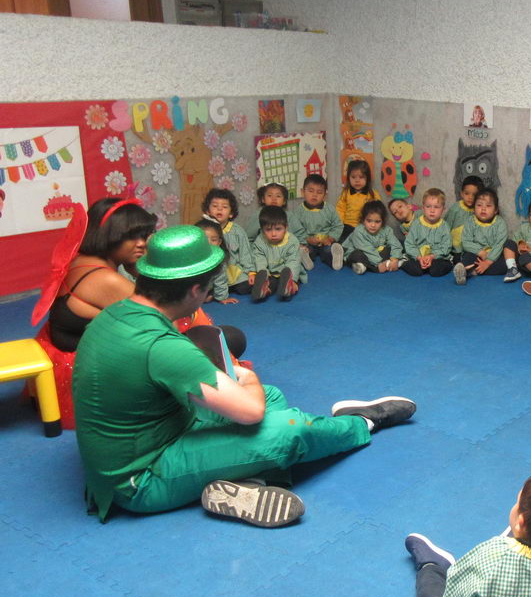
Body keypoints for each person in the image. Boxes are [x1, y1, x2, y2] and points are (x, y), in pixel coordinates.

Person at [72, 224, 416, 525]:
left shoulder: (117, 312)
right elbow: (249, 412)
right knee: (287, 427)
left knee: (275, 397)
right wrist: (245, 377)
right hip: (141, 479)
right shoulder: (162, 346)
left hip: (160, 430)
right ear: (196, 291)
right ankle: (361, 423)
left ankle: (253, 485)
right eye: (208, 288)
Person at [33, 198, 157, 430]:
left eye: (145, 236)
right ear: (108, 235)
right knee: (216, 338)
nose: (141, 244)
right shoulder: (107, 279)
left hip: (69, 343)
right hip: (88, 366)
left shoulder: (81, 260)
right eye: (131, 237)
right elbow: (162, 318)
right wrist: (142, 270)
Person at [288, 173, 344, 271]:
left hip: (325, 242)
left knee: (327, 251)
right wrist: (307, 239)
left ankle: (335, 258)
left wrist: (330, 238)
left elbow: (338, 225)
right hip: (308, 242)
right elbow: (295, 229)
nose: (315, 195)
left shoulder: (329, 209)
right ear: (302, 192)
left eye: (319, 192)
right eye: (310, 191)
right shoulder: (298, 211)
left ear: (325, 195)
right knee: (305, 250)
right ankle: (305, 259)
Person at [202, 188, 253, 295]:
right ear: (207, 211)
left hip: (235, 274)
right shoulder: (203, 230)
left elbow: (246, 254)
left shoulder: (237, 231)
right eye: (215, 206)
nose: (219, 209)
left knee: (245, 288)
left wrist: (251, 272)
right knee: (205, 291)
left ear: (231, 213)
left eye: (224, 207)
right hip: (213, 276)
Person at [453, 188, 508, 284]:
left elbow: (500, 244)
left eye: (488, 206)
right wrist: (480, 252)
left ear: (495, 210)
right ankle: (464, 269)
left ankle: (472, 271)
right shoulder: (470, 221)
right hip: (476, 254)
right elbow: (466, 242)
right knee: (467, 257)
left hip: (493, 255)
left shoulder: (500, 223)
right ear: (474, 208)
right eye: (479, 205)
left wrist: (488, 261)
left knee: (504, 265)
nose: (483, 209)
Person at [251, 205, 305, 302]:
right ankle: (265, 290)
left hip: (289, 273)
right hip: (271, 274)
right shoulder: (260, 241)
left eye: (278, 229)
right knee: (271, 283)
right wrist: (263, 272)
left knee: (289, 285)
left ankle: (291, 287)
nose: (273, 234)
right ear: (262, 230)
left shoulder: (292, 241)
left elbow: (293, 261)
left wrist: (292, 278)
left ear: (286, 227)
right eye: (268, 230)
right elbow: (259, 259)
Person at [402, 189, 453, 277]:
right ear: (423, 208)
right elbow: (409, 244)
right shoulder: (416, 224)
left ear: (443, 210)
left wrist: (432, 256)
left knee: (437, 270)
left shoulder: (445, 226)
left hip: (436, 257)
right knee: (416, 270)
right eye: (428, 206)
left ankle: (431, 266)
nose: (432, 210)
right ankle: (409, 264)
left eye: (436, 207)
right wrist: (419, 257)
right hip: (418, 257)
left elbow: (446, 246)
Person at [345, 199, 404, 274]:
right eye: (369, 221)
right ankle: (368, 267)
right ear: (363, 220)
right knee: (357, 255)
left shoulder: (387, 230)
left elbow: (395, 244)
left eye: (377, 221)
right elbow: (367, 250)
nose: (373, 225)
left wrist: (395, 259)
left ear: (382, 221)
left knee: (389, 249)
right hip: (361, 251)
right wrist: (378, 264)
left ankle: (364, 266)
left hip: (376, 252)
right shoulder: (359, 231)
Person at [193, 219, 237, 305]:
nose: (209, 243)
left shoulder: (218, 260)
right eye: (204, 239)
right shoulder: (190, 258)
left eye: (213, 240)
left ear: (219, 242)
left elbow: (220, 280)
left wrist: (222, 297)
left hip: (206, 288)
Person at [336, 159, 379, 242]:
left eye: (361, 177)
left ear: (367, 178)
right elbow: (340, 209)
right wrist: (339, 224)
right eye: (353, 177)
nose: (357, 180)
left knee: (367, 242)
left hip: (366, 226)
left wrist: (374, 223)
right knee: (342, 242)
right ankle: (341, 253)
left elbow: (378, 210)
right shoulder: (345, 193)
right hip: (347, 226)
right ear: (348, 178)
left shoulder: (372, 194)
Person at [445, 174, 482, 256]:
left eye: (474, 195)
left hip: (471, 250)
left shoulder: (479, 211)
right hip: (454, 249)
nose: (470, 197)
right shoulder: (455, 208)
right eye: (467, 193)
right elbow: (446, 227)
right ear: (461, 193)